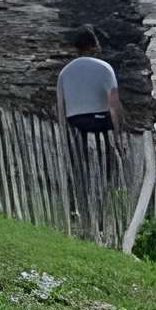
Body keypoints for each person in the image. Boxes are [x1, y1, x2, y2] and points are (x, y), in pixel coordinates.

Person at [57, 28, 127, 223]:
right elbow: (113, 104)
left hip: (75, 120)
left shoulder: (65, 72)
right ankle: (106, 188)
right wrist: (118, 135)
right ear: (93, 46)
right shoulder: (104, 68)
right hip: (99, 119)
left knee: (81, 163)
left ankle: (80, 201)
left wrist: (64, 132)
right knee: (109, 156)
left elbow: (60, 104)